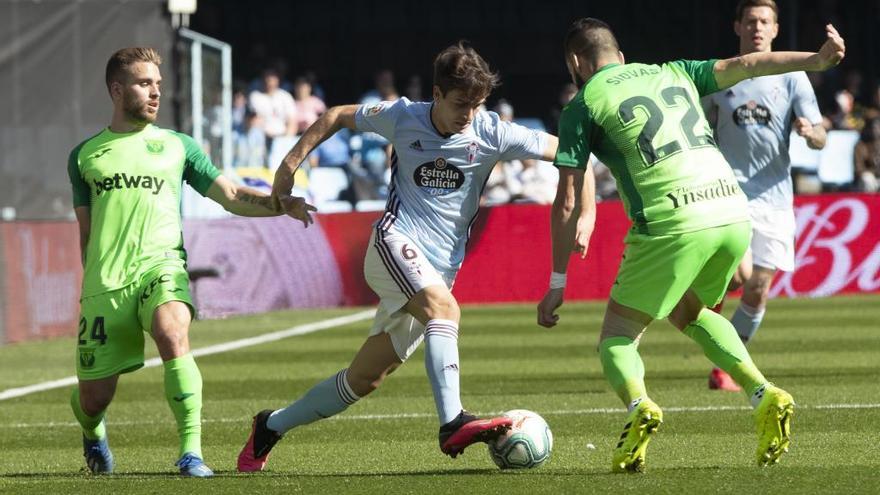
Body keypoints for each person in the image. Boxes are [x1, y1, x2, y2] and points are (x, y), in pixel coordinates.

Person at [537, 18, 844, 472]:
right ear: (620, 57)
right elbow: (747, 63)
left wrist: (557, 280)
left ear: (575, 63)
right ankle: (762, 392)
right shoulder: (672, 70)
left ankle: (639, 405)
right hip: (731, 212)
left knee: (617, 338)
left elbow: (566, 200)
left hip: (671, 220)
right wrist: (816, 62)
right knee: (691, 312)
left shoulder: (582, 105)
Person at [237, 41, 560, 472]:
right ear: (438, 94)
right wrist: (289, 165)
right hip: (393, 242)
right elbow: (335, 116)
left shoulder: (490, 131)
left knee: (364, 380)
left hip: (438, 269)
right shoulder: (403, 115)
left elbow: (564, 150)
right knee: (444, 310)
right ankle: (452, 423)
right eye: (461, 103)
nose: (469, 115)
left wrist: (588, 189)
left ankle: (270, 426)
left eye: (476, 104)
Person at [67, 47, 315, 477]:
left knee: (171, 330)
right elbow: (86, 234)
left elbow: (232, 195)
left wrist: (280, 204)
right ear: (116, 89)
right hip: (105, 284)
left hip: (160, 268)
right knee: (93, 399)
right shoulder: (84, 156)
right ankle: (93, 432)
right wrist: (92, 290)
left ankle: (191, 452)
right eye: (145, 83)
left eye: (158, 85)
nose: (155, 92)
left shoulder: (177, 146)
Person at [701, 0, 828, 392]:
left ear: (775, 30)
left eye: (765, 21)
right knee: (737, 279)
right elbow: (700, 129)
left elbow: (822, 135)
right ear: (737, 25)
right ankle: (713, 325)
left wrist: (812, 134)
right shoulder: (721, 75)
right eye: (751, 20)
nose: (758, 28)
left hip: (775, 197)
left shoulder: (792, 77)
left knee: (758, 288)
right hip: (728, 194)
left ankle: (726, 368)